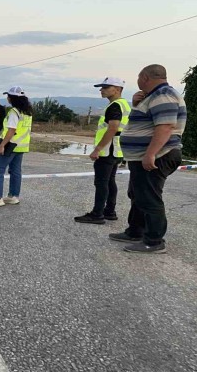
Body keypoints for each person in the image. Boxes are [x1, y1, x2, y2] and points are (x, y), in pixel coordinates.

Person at [109, 64, 186, 254]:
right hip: (145, 155)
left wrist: (150, 153)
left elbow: (165, 126)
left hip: (158, 155)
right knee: (138, 194)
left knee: (149, 198)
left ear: (144, 77)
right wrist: (136, 104)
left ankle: (154, 241)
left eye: (138, 77)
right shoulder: (153, 96)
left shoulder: (163, 95)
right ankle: (135, 231)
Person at [74, 77, 131, 224]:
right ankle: (109, 211)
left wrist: (97, 149)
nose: (102, 90)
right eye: (102, 87)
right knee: (110, 181)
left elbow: (113, 128)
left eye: (106, 87)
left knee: (101, 182)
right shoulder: (124, 104)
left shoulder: (115, 106)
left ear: (117, 89)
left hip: (108, 150)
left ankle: (97, 214)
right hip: (117, 150)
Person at [0, 87, 33, 207]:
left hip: (10, 145)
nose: (7, 98)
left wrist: (2, 145)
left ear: (12, 98)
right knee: (15, 171)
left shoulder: (14, 112)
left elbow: (11, 130)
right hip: (21, 146)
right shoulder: (27, 112)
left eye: (8, 96)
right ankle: (13, 196)